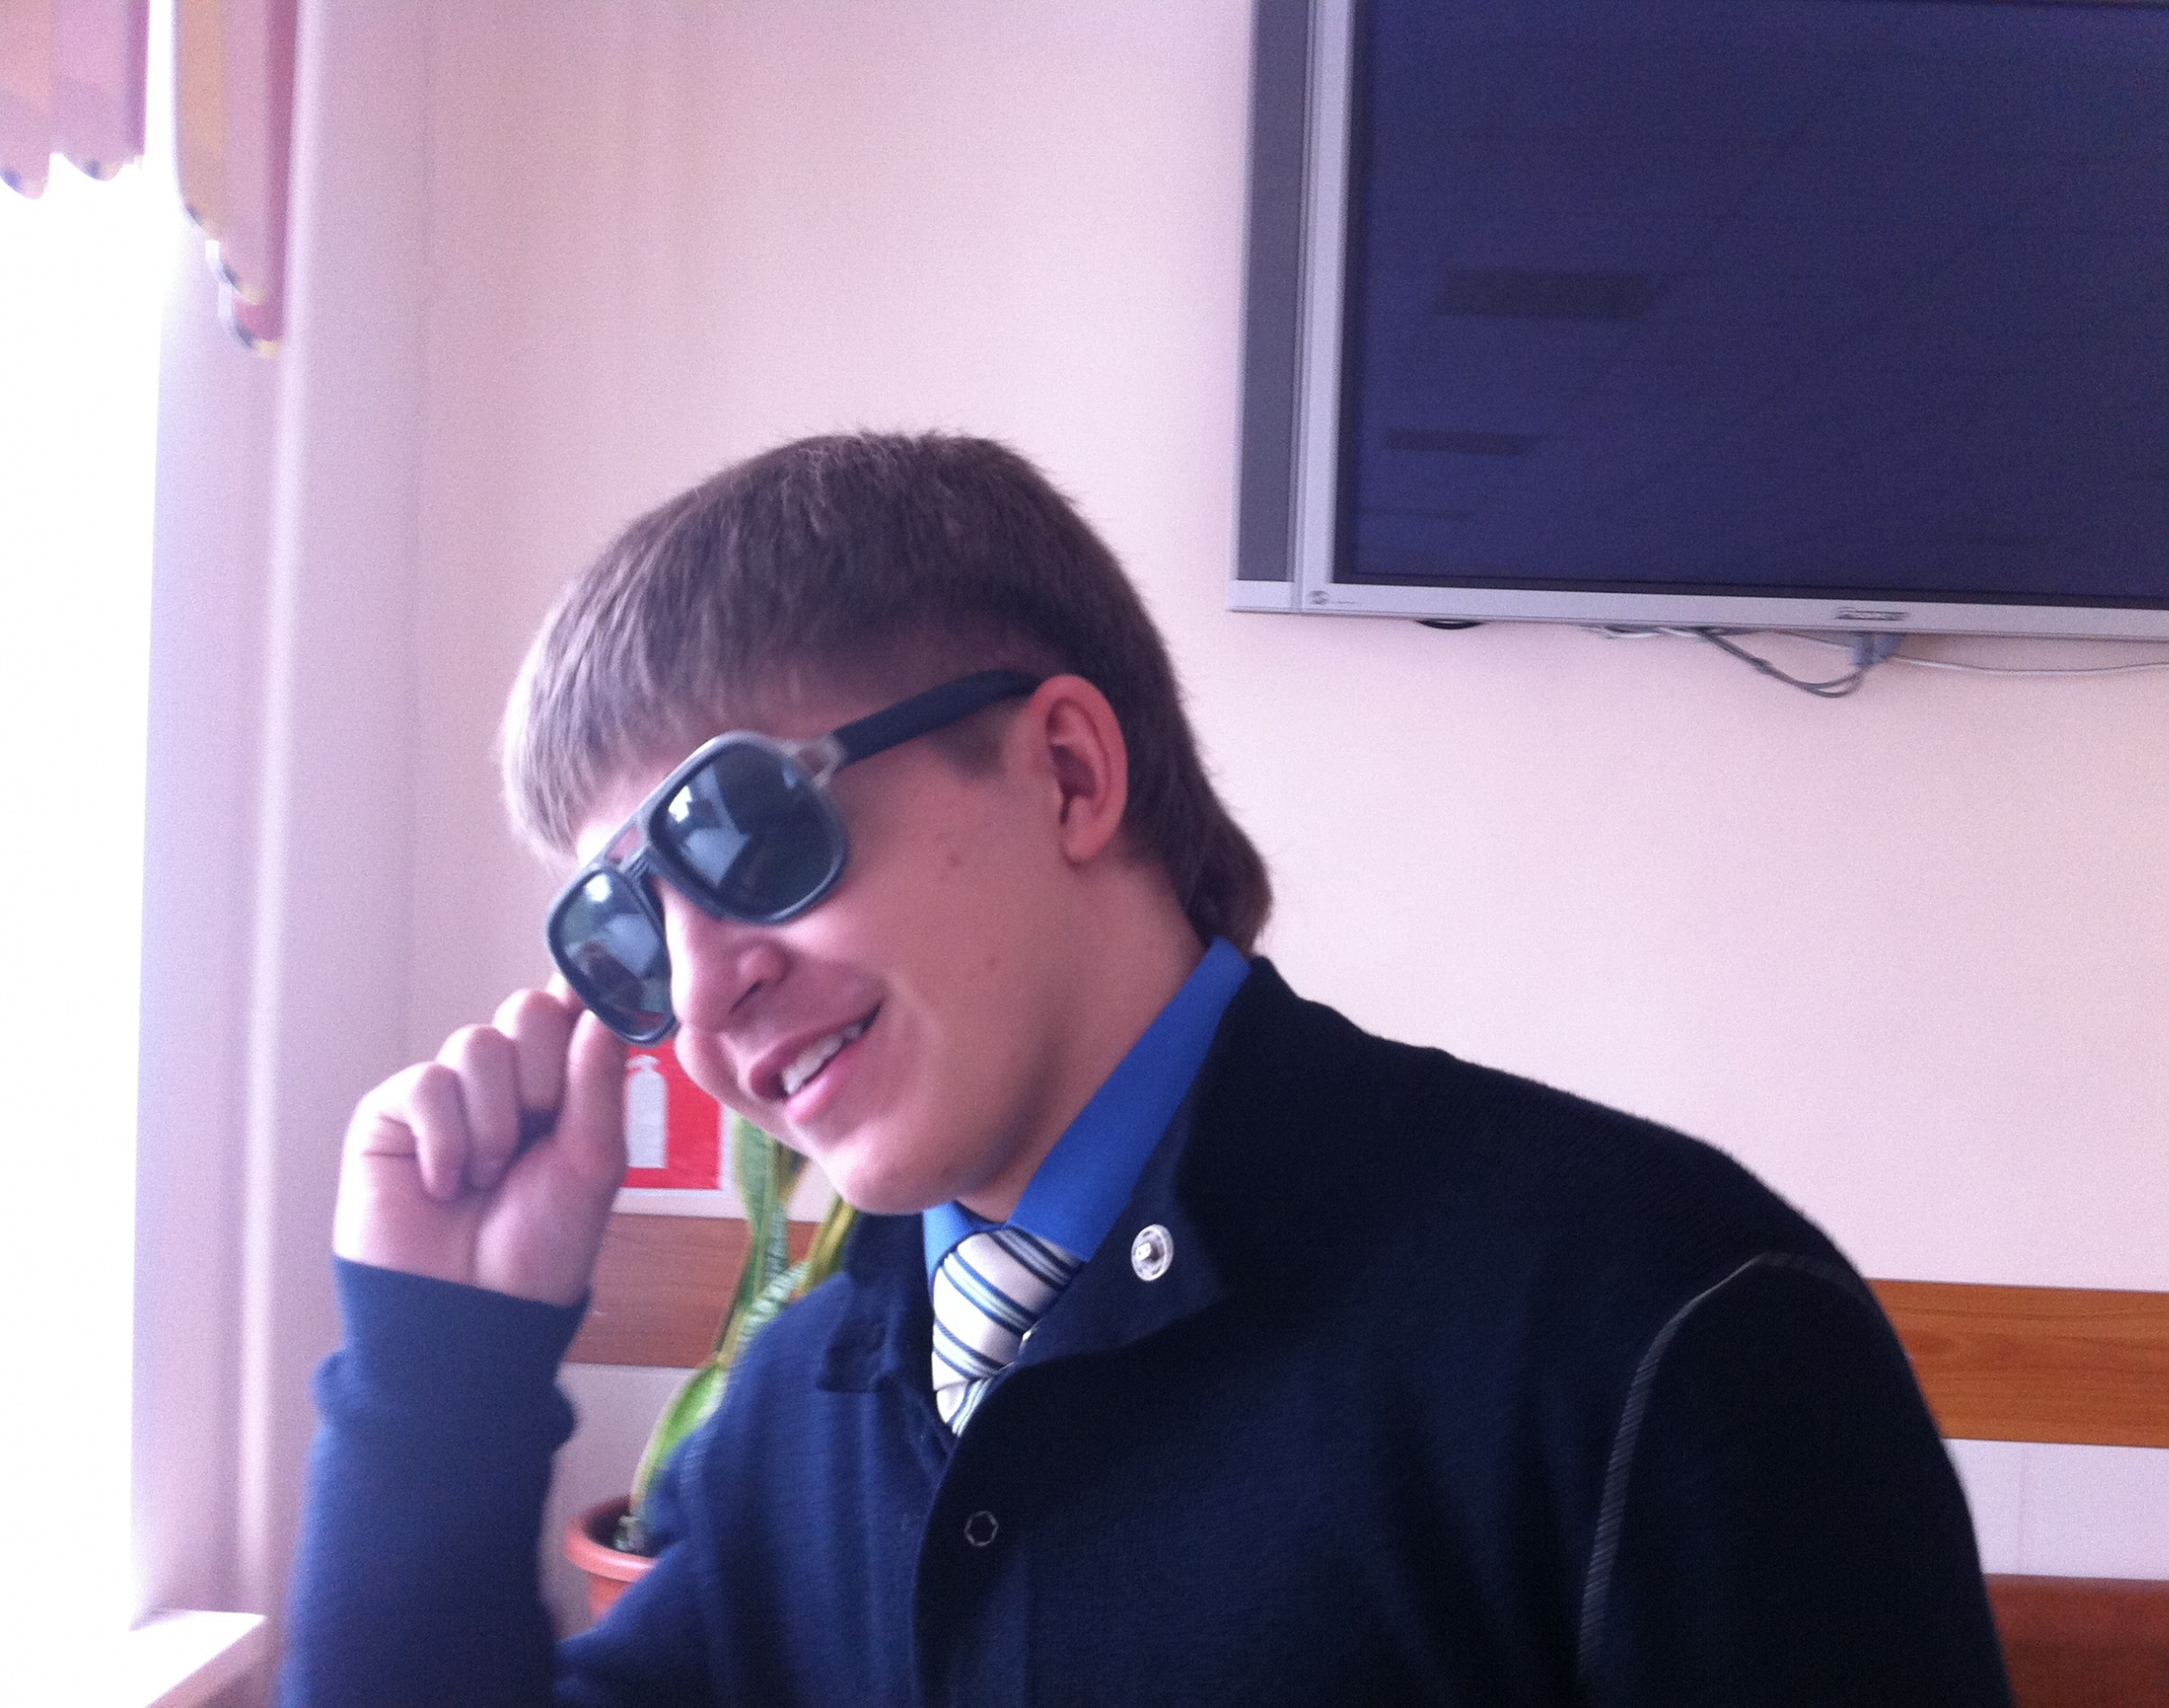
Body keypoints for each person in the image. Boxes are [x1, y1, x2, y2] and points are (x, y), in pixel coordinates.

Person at [281, 434, 2012, 1706]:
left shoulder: (1652, 1326)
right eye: (621, 929)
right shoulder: (809, 1415)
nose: (702, 979)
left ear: (1065, 772)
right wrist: (438, 1376)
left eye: (742, 836)